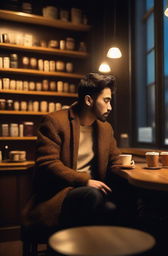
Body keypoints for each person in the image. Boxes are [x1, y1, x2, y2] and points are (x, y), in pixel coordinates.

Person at [22, 72, 123, 229]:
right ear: (89, 100)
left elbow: (115, 158)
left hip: (93, 191)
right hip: (59, 194)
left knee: (126, 197)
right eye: (106, 101)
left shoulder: (105, 128)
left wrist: (127, 165)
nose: (110, 107)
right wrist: (84, 180)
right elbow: (48, 162)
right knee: (92, 196)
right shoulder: (54, 121)